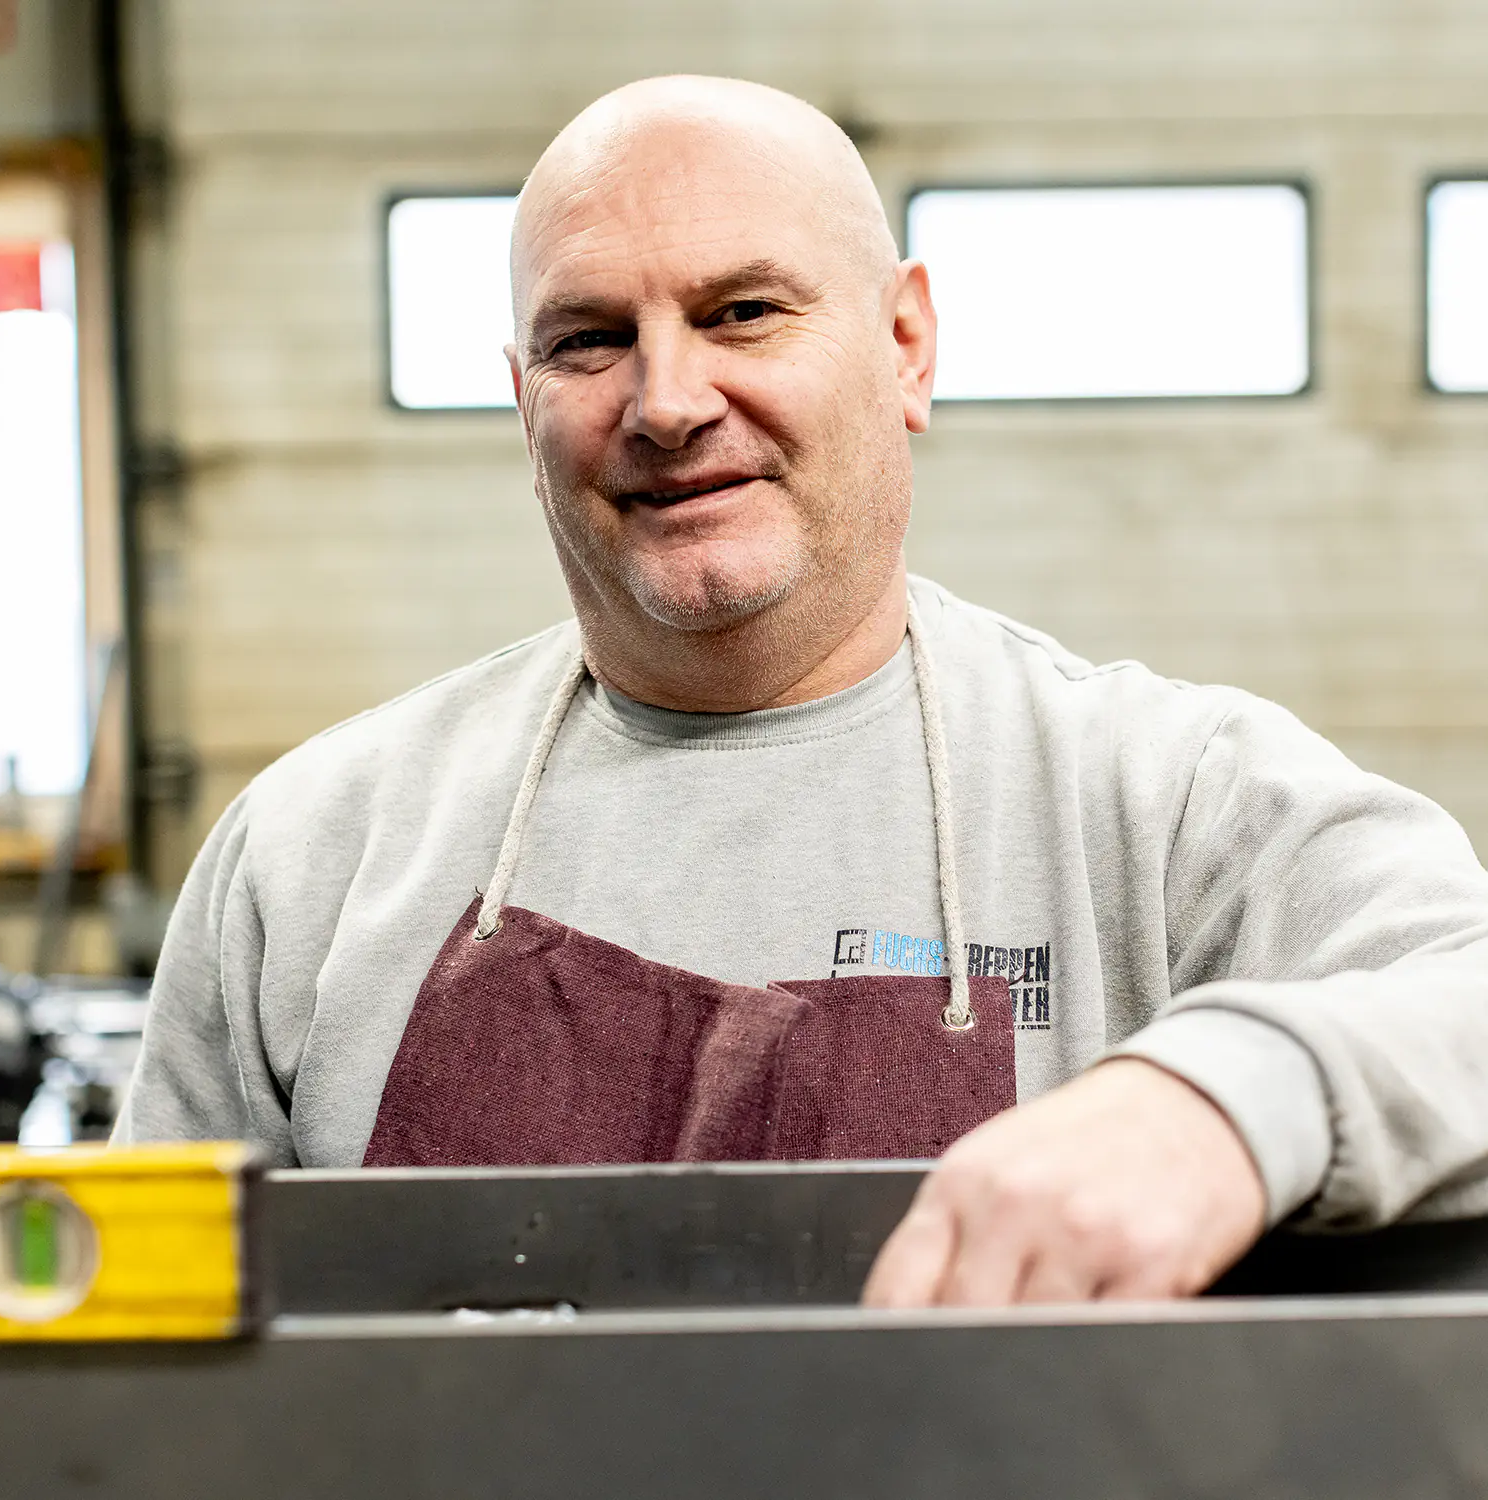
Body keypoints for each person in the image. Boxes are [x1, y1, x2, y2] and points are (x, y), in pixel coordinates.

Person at [116, 75, 1488, 1309]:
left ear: (906, 346)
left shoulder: (1166, 804)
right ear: (518, 400)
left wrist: (1223, 1098)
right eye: (589, 340)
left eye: (743, 313)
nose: (666, 401)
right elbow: (141, 1359)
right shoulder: (308, 859)